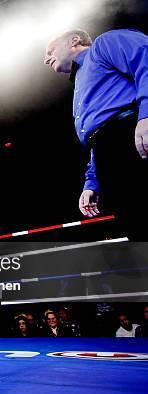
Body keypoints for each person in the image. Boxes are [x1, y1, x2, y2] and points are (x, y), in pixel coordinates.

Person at [44, 29, 148, 240]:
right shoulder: (80, 84)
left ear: (74, 41)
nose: (45, 59)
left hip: (131, 133)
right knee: (137, 227)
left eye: (50, 50)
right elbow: (98, 136)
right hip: (108, 152)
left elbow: (145, 60)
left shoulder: (103, 45)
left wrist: (146, 115)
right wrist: (92, 182)